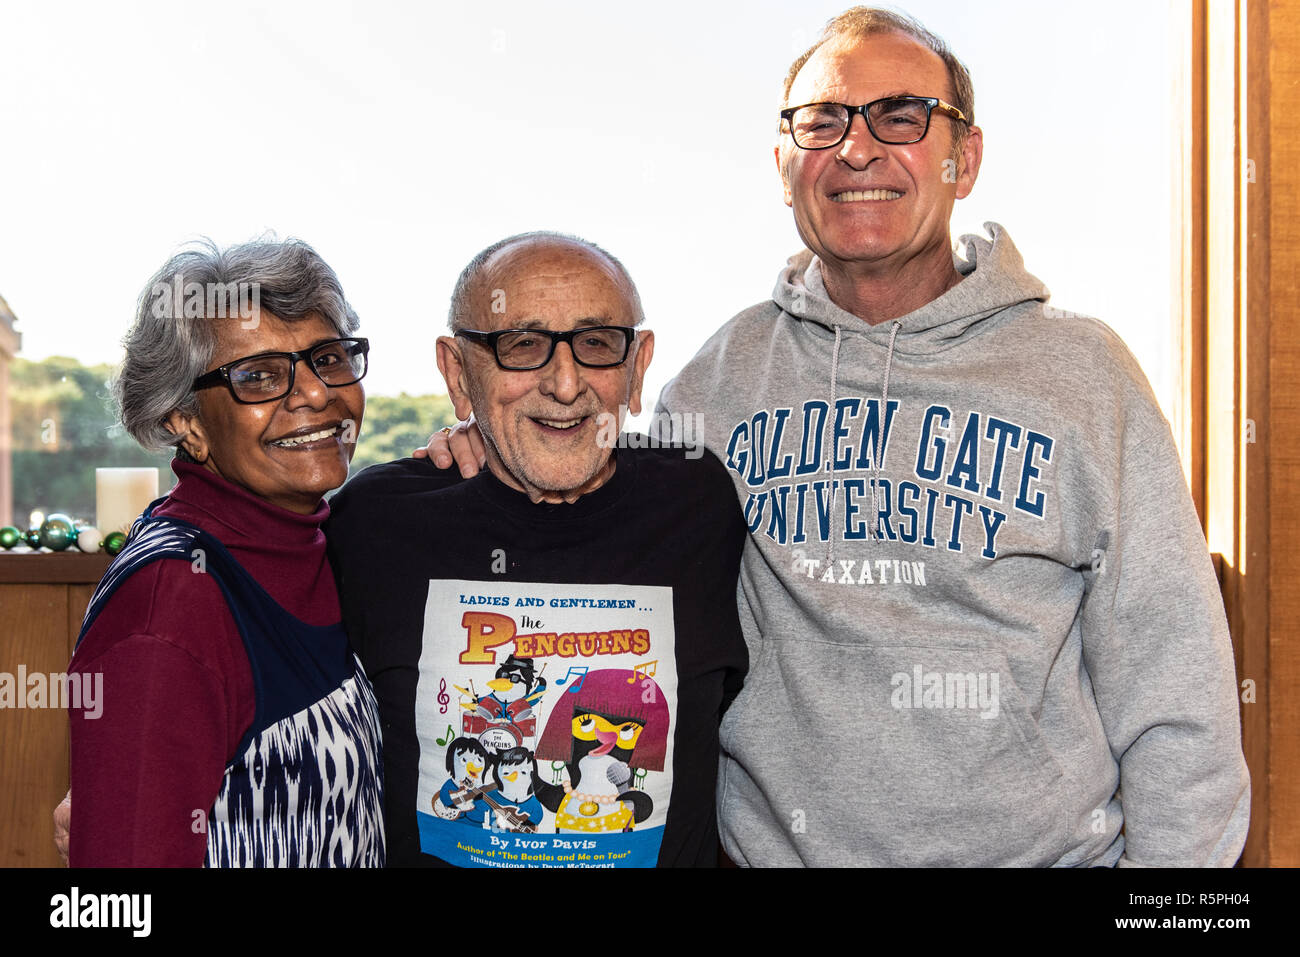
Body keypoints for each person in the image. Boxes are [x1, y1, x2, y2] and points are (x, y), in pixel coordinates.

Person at [432, 9, 1250, 867]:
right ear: (782, 164)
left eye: (901, 115)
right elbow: (584, 516)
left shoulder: (1086, 374)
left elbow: (1179, 696)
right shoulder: (718, 378)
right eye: (821, 121)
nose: (857, 149)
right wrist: (481, 455)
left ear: (962, 159)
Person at [326, 232, 747, 867]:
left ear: (638, 366)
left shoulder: (699, 502)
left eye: (597, 344)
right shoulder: (375, 523)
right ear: (457, 371)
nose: (566, 382)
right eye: (521, 346)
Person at [66, 238, 385, 866]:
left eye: (327, 357)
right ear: (184, 421)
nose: (317, 395)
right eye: (258, 377)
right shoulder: (171, 600)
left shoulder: (318, 543)